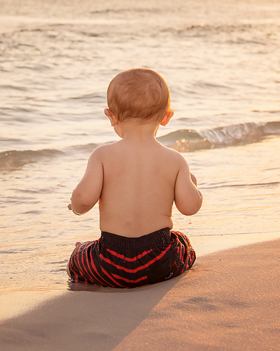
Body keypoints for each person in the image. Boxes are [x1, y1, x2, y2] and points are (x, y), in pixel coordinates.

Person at [67, 68, 202, 288]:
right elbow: (190, 207)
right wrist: (193, 186)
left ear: (111, 116)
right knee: (183, 243)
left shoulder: (101, 156)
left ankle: (84, 254)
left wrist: (74, 205)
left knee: (78, 257)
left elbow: (83, 200)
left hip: (111, 262)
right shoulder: (175, 160)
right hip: (158, 263)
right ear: (167, 117)